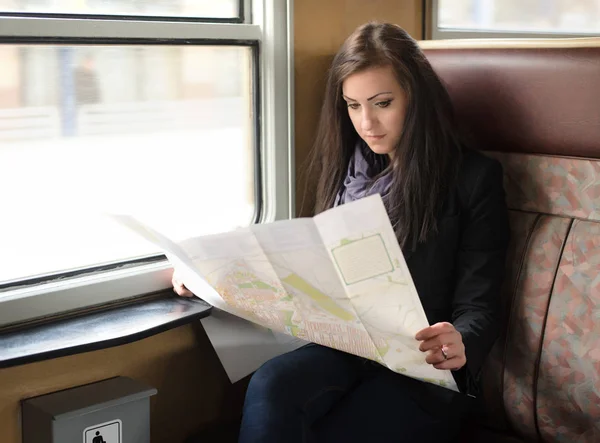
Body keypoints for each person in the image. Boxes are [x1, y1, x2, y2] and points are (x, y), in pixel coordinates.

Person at [173, 21, 510, 443]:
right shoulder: (345, 172)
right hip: (347, 347)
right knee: (272, 384)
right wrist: (208, 273)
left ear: (416, 98)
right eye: (352, 106)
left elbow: (482, 304)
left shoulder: (473, 179)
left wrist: (461, 341)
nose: (366, 122)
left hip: (421, 368)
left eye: (382, 103)